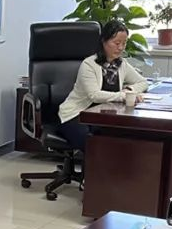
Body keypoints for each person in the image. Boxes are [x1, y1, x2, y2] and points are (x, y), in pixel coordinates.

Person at [55, 19, 149, 152]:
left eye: (124, 43)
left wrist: (130, 90)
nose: (121, 48)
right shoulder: (89, 64)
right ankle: (95, 166)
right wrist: (122, 96)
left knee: (123, 137)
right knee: (93, 145)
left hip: (103, 116)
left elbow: (143, 82)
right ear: (104, 41)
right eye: (117, 43)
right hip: (76, 115)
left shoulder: (121, 64)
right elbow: (94, 95)